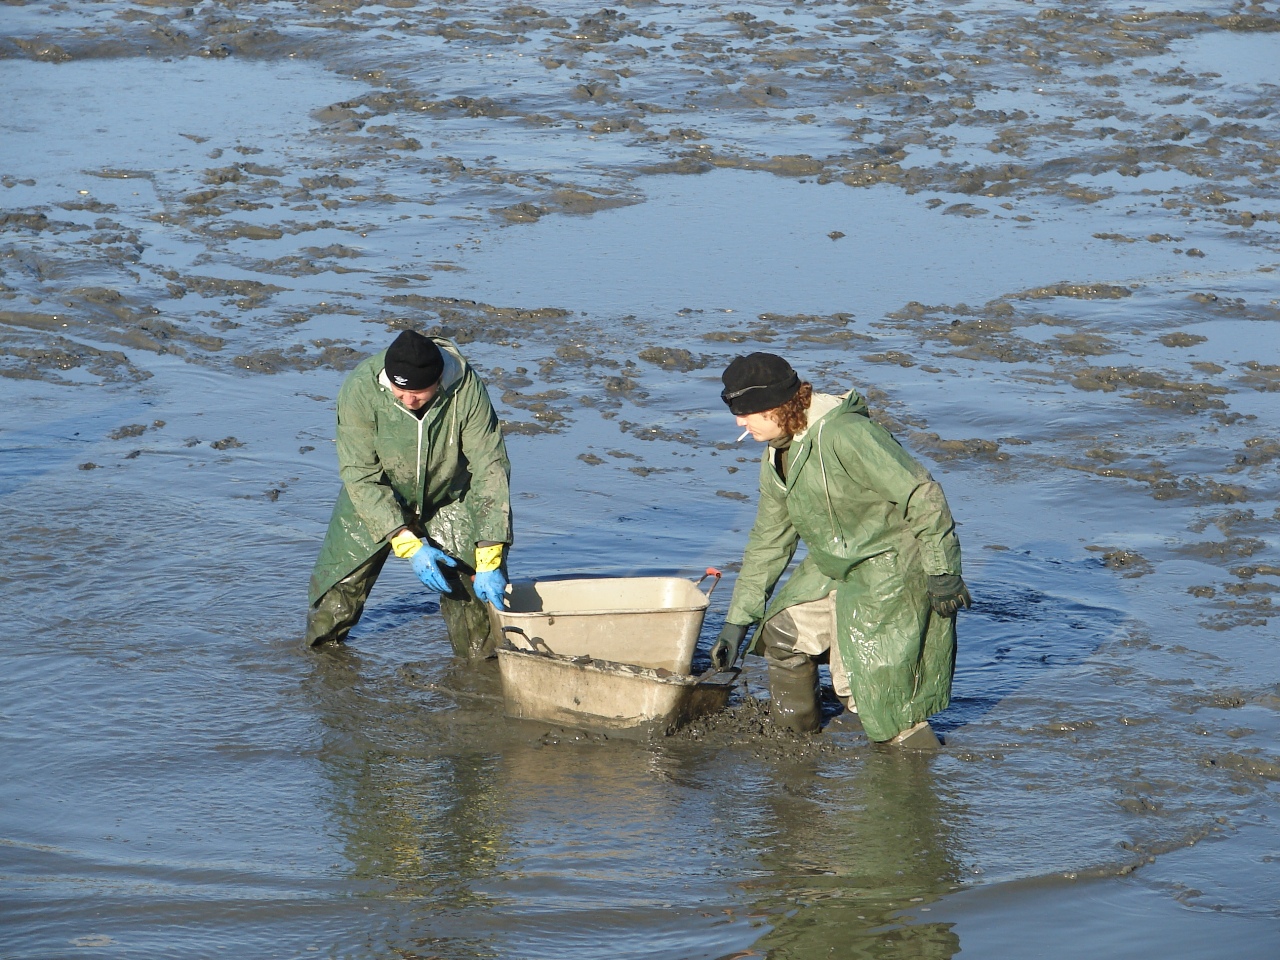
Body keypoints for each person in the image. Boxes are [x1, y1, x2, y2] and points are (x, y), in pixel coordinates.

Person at [709, 353, 970, 748]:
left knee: (873, 693)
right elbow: (768, 540)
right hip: (834, 566)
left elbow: (922, 494)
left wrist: (943, 570)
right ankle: (795, 744)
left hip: (890, 567)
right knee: (781, 635)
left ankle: (914, 773)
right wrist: (737, 622)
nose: (739, 423)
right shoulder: (778, 452)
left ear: (778, 406)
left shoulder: (847, 434)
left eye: (747, 413)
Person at [305, 328, 512, 657]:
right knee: (338, 593)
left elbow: (490, 467)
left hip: (449, 494)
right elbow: (360, 473)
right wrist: (406, 542)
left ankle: (479, 670)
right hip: (378, 491)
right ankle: (321, 664)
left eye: (417, 393)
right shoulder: (361, 388)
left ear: (439, 380)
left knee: (477, 608)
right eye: (399, 391)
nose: (407, 400)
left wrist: (489, 553)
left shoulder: (466, 388)